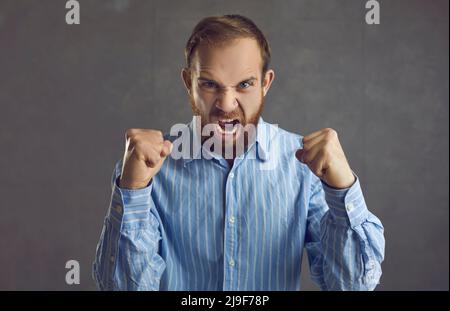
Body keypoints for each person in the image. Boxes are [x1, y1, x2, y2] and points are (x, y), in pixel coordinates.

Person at [93, 14, 385, 291]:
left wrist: (342, 189)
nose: (226, 103)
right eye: (209, 84)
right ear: (188, 83)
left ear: (266, 83)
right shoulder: (147, 170)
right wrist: (133, 191)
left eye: (245, 84)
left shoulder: (305, 167)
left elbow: (351, 286)